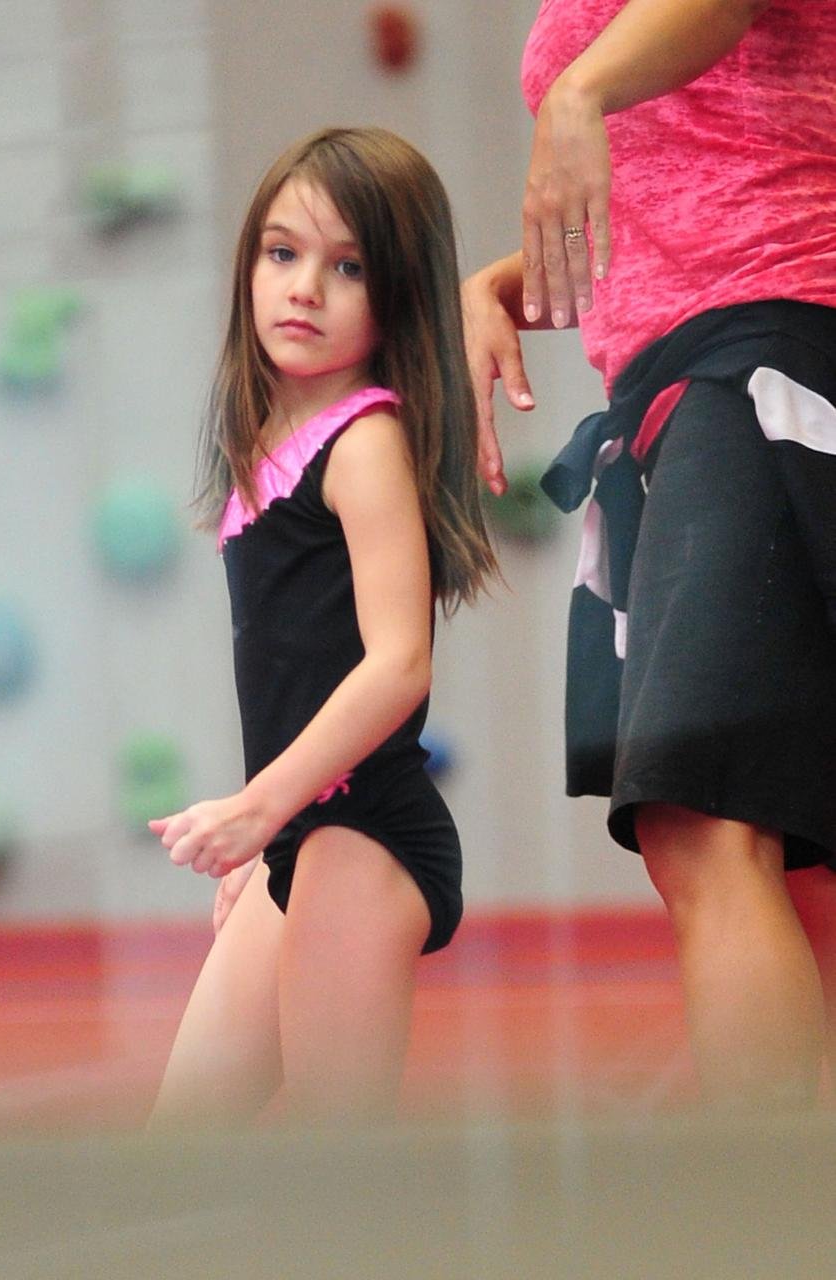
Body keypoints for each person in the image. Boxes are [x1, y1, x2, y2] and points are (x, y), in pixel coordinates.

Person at [462, 0, 836, 1107]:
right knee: (785, 844)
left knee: (706, 813)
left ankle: (761, 1225)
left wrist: (578, 93)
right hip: (701, 365)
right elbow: (701, 167)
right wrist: (503, 280)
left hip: (766, 349)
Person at [148, 127, 497, 1124]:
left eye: (347, 266)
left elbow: (397, 665)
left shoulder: (365, 441)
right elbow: (296, 667)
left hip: (364, 833)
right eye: (282, 252)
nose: (304, 287)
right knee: (178, 1146)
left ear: (396, 296)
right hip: (301, 832)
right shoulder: (269, 439)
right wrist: (269, 835)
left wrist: (261, 806)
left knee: (338, 1164)